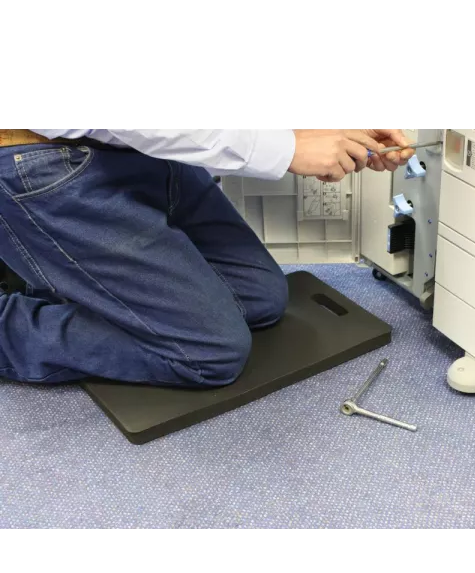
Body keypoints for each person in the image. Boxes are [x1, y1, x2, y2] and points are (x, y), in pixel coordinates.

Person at [0, 129, 413, 388]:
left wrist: (333, 134)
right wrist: (287, 148)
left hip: (145, 150)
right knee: (207, 354)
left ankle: (91, 284)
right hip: (43, 157)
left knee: (260, 297)